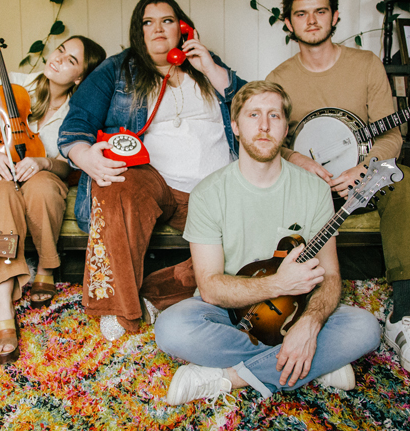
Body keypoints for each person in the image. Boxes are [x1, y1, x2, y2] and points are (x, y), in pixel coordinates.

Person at [155, 81, 381, 405]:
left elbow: (330, 276)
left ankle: (227, 377)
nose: (264, 126)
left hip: (296, 312)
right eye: (253, 115)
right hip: (229, 314)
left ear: (286, 127)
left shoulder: (315, 190)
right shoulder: (208, 193)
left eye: (274, 115)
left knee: (365, 328)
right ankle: (313, 364)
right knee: (171, 328)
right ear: (234, 126)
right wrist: (277, 284)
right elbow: (211, 288)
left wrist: (311, 324)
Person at [265, 0, 410, 380]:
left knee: (404, 180)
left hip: (362, 176)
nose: (311, 21)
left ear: (335, 17)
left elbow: (391, 133)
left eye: (320, 12)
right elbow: (275, 142)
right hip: (309, 182)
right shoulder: (279, 78)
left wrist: (364, 168)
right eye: (301, 14)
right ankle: (305, 316)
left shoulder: (365, 65)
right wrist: (298, 160)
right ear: (288, 23)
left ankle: (404, 316)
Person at [57, 0, 247, 341]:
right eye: (148, 22)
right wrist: (86, 157)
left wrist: (210, 67)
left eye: (167, 20)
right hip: (154, 181)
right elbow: (77, 123)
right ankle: (120, 310)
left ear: (183, 28)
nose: (158, 29)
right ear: (138, 32)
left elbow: (252, 108)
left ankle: (151, 295)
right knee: (114, 182)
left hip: (215, 190)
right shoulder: (117, 69)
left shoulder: (206, 65)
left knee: (250, 244)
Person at [0, 35, 106, 363]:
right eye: (60, 50)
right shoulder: (14, 84)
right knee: (2, 191)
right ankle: (3, 305)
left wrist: (43, 162)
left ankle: (47, 265)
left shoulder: (80, 109)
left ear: (79, 77)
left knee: (44, 186)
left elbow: (67, 164)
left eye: (71, 60)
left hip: (40, 174)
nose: (57, 59)